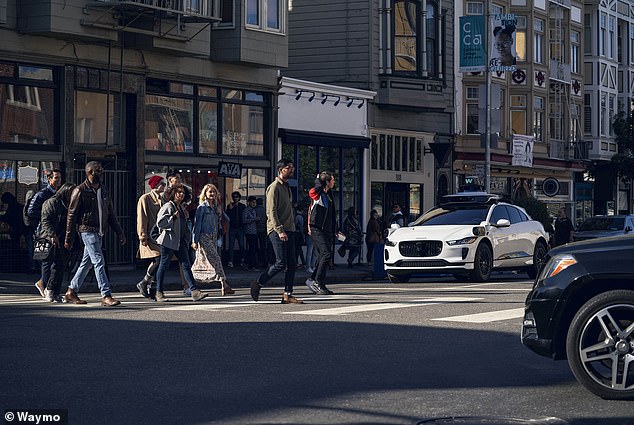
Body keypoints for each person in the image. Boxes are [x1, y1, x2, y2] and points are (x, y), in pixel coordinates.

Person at [64, 161, 126, 306]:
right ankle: (106, 294)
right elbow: (71, 215)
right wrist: (68, 238)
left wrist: (120, 232)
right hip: (87, 230)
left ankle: (71, 290)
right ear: (90, 173)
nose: (101, 172)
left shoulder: (103, 190)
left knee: (86, 263)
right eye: (98, 170)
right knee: (98, 261)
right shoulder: (80, 190)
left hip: (99, 232)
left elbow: (111, 213)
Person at [250, 159, 301, 304]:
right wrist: (279, 230)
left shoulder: (287, 187)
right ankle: (258, 283)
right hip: (277, 230)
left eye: (292, 167)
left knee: (292, 263)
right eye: (288, 167)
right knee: (281, 262)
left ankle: (287, 294)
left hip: (289, 229)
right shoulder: (274, 187)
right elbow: (271, 211)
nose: (292, 170)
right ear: (280, 170)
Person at [155, 183, 208, 302]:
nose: (181, 194)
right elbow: (160, 223)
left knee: (186, 265)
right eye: (178, 192)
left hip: (180, 242)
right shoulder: (168, 206)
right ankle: (159, 292)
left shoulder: (181, 208)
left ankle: (194, 291)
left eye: (183, 193)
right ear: (173, 193)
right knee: (164, 265)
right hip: (169, 241)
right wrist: (173, 218)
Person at [192, 184, 234, 295]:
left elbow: (227, 219)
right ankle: (224, 284)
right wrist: (194, 240)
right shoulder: (202, 208)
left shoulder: (216, 207)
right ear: (205, 193)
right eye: (210, 192)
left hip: (214, 236)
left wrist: (220, 213)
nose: (212, 194)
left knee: (212, 261)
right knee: (216, 259)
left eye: (214, 192)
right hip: (204, 236)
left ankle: (224, 285)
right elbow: (197, 225)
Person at [26, 169, 62, 296]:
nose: (58, 180)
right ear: (49, 179)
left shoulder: (58, 193)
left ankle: (45, 284)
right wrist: (45, 215)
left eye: (59, 178)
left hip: (55, 230)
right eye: (56, 178)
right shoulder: (42, 194)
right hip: (43, 231)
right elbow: (31, 211)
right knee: (46, 259)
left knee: (54, 259)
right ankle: (43, 284)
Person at [39, 183, 76, 303]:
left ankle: (56, 292)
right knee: (54, 265)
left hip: (62, 237)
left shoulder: (67, 204)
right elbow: (45, 220)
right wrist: (52, 235)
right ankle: (49, 289)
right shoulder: (53, 202)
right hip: (52, 238)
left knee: (61, 265)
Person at [305, 171, 337, 296]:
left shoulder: (329, 194)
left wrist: (335, 228)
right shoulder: (318, 194)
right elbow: (312, 191)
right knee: (325, 254)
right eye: (332, 180)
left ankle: (313, 280)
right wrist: (319, 180)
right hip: (317, 228)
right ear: (327, 182)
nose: (334, 182)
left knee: (322, 256)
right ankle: (318, 282)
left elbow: (332, 214)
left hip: (327, 229)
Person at [135, 175, 165, 300]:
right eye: (161, 184)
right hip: (150, 235)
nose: (164, 186)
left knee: (158, 261)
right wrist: (142, 235)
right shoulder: (145, 198)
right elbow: (142, 217)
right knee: (159, 259)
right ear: (155, 185)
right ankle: (144, 281)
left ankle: (152, 289)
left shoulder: (163, 199)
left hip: (160, 236)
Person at [226, 191, 246, 268]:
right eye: (234, 197)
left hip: (240, 228)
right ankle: (230, 261)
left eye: (237, 197)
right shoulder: (230, 206)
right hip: (232, 228)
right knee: (231, 245)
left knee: (241, 245)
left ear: (239, 198)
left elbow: (244, 216)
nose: (235, 198)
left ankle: (242, 260)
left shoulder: (242, 206)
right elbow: (227, 216)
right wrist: (230, 209)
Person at [242, 195, 259, 271]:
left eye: (255, 202)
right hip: (249, 232)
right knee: (251, 249)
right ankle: (250, 265)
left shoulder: (254, 210)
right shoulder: (246, 210)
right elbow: (244, 220)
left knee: (254, 249)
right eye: (252, 202)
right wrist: (254, 219)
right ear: (249, 202)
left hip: (254, 231)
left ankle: (250, 264)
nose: (254, 204)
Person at [254, 197, 268, 268]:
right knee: (263, 247)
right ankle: (265, 262)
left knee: (255, 247)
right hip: (263, 229)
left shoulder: (255, 210)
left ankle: (256, 262)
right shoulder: (265, 210)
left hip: (256, 229)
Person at [294, 203, 306, 268]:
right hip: (298, 234)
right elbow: (301, 227)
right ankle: (297, 263)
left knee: (299, 249)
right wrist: (303, 236)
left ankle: (303, 262)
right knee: (298, 249)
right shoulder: (300, 217)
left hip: (295, 234)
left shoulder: (295, 215)